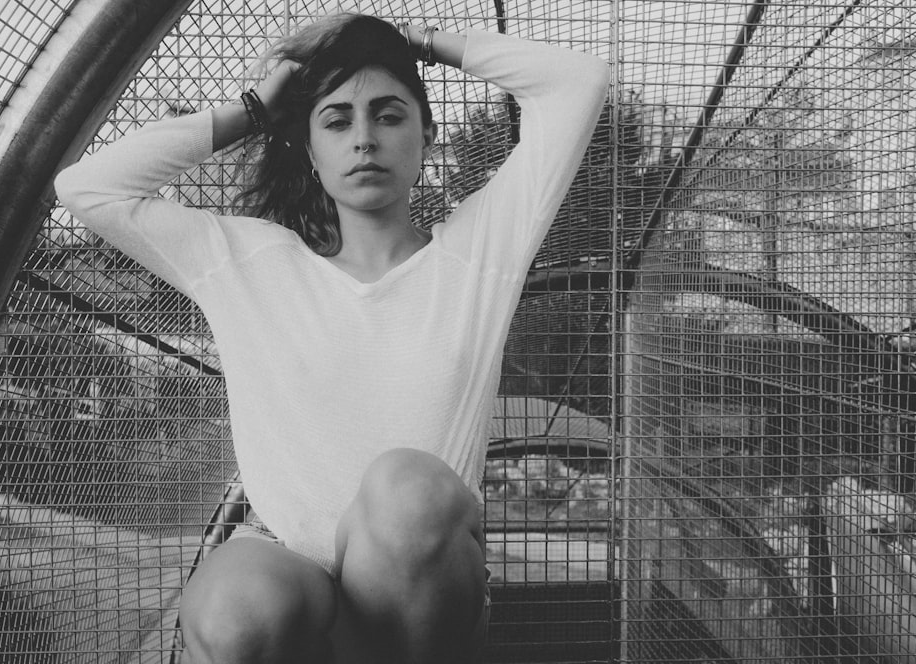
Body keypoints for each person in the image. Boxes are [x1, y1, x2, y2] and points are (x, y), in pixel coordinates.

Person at [55, 12, 608, 664]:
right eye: (338, 121)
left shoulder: (480, 252)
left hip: (420, 591)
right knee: (235, 614)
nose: (365, 139)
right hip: (284, 554)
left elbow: (579, 81)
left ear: (425, 134)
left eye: (389, 115)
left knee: (407, 488)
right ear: (312, 154)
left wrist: (420, 44)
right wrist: (254, 108)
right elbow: (85, 187)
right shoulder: (248, 262)